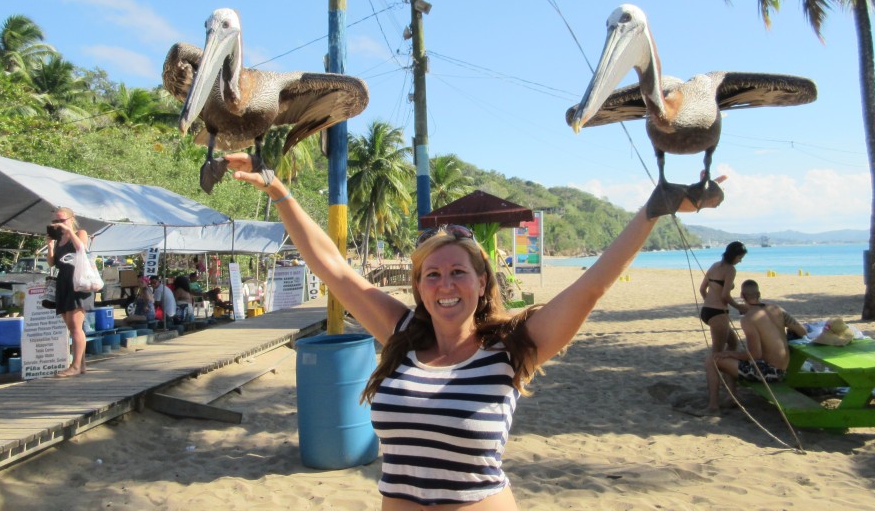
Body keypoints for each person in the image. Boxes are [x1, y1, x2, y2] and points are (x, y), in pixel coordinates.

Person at [223, 152, 719, 509]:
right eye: (431, 275)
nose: (445, 285)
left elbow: (589, 289)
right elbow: (334, 269)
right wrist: (281, 193)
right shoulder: (399, 335)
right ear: (418, 288)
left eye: (458, 272)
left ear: (482, 283)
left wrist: (650, 212)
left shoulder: (512, 349)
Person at [705, 279, 807, 412]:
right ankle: (732, 398)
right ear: (759, 293)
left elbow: (755, 355)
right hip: (783, 368)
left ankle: (713, 406)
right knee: (727, 357)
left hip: (770, 372)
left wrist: (731, 353)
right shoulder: (777, 309)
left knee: (712, 360)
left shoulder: (748, 319)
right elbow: (802, 331)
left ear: (742, 296)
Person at [45, 207, 92, 378]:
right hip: (63, 282)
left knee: (75, 326)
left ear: (71, 219)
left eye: (62, 220)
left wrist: (69, 231)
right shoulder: (59, 240)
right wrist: (50, 245)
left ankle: (75, 366)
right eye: (56, 221)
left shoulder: (80, 233)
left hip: (78, 282)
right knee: (71, 327)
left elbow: (82, 249)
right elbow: (51, 263)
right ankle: (82, 364)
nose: (59, 224)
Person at [698, 241, 748, 353]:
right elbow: (725, 295)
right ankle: (714, 369)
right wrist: (739, 307)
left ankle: (724, 369)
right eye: (740, 258)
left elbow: (702, 289)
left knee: (733, 343)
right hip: (718, 313)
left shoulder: (714, 265)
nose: (740, 261)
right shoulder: (730, 269)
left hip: (706, 311)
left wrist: (709, 302)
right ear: (733, 256)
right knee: (717, 351)